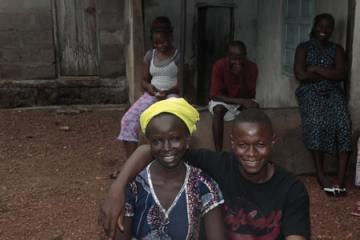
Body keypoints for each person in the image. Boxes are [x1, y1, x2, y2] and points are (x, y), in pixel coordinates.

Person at [101, 108, 310, 240]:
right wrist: (117, 189)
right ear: (232, 143)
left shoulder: (291, 189)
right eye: (243, 145)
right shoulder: (219, 165)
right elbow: (153, 149)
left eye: (261, 145)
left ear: (273, 142)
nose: (252, 154)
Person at [114, 97, 226, 240]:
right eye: (157, 141)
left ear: (187, 140)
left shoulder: (203, 186)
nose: (166, 148)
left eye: (175, 138)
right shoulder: (135, 186)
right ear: (149, 144)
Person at [294, 13, 352, 196]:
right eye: (321, 26)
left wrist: (317, 69)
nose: (324, 30)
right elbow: (301, 75)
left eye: (328, 27)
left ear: (332, 29)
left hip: (333, 92)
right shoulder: (303, 48)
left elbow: (342, 75)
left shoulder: (337, 49)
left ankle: (341, 178)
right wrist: (330, 72)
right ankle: (320, 173)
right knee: (316, 122)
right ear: (315, 26)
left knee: (343, 124)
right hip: (310, 91)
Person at [117, 16, 181, 159]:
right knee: (128, 120)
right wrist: (150, 88)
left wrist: (168, 92)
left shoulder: (178, 56)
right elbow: (144, 81)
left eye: (163, 42)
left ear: (170, 37)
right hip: (153, 94)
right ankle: (131, 163)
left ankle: (166, 160)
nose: (160, 46)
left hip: (172, 96)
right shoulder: (149, 55)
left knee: (167, 125)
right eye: (156, 43)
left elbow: (182, 85)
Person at [208, 41, 259, 151]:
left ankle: (244, 149)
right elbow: (214, 95)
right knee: (218, 110)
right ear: (228, 56)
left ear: (245, 56)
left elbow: (249, 95)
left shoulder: (252, 67)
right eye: (234, 59)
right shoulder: (219, 66)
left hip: (243, 99)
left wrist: (240, 77)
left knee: (251, 111)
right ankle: (218, 151)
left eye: (241, 58)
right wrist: (240, 101)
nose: (238, 62)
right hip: (224, 99)